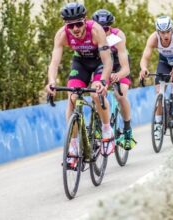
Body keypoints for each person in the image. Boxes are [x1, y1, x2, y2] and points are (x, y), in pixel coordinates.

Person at [45, 3, 114, 167]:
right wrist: (51, 81)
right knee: (72, 96)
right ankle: (74, 146)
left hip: (99, 62)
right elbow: (54, 63)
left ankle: (106, 130)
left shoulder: (96, 30)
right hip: (81, 62)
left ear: (85, 20)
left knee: (96, 93)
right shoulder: (62, 34)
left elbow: (107, 61)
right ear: (65, 25)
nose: (75, 28)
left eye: (78, 24)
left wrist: (103, 81)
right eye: (70, 25)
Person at [92, 9, 136, 150]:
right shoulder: (92, 36)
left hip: (119, 67)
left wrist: (118, 75)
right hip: (102, 66)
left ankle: (128, 130)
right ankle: (99, 125)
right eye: (100, 28)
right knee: (96, 92)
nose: (103, 31)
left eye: (106, 28)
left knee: (119, 95)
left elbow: (126, 68)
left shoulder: (118, 36)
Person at [139, 16, 173, 140]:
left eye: (167, 31)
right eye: (162, 32)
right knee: (158, 92)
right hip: (164, 62)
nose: (165, 35)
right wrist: (144, 68)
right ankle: (158, 123)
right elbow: (145, 57)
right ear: (158, 32)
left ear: (171, 29)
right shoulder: (153, 38)